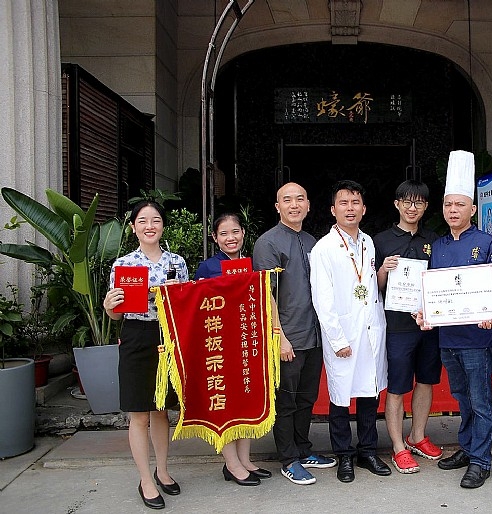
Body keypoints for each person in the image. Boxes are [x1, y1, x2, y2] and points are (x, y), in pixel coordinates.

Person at [418, 150, 492, 489]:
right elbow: (433, 289)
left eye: (459, 205)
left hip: (477, 337)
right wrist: (425, 311)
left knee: (481, 400)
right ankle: (469, 449)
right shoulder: (437, 246)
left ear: (472, 209)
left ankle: (481, 461)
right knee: (462, 397)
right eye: (448, 205)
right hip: (447, 338)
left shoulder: (487, 242)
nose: (453, 210)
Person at [103, 200, 188, 510]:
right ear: (133, 227)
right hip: (136, 336)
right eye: (143, 220)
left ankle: (162, 471)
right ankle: (145, 480)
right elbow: (116, 314)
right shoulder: (123, 265)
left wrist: (180, 294)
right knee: (139, 413)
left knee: (161, 410)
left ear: (163, 226)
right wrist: (109, 306)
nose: (149, 226)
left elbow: (186, 307)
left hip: (167, 337)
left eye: (155, 220)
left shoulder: (177, 262)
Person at [252, 182, 336, 486]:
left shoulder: (313, 241)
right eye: (287, 200)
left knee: (306, 397)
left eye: (300, 199)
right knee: (286, 400)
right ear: (278, 207)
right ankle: (288, 459)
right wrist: (280, 336)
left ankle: (303, 449)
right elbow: (266, 295)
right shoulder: (268, 243)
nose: (294, 205)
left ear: (308, 205)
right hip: (288, 336)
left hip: (314, 334)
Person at [310, 179, 391, 483]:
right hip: (343, 333)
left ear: (364, 208)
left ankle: (367, 451)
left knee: (370, 392)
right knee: (340, 396)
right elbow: (322, 299)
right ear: (333, 210)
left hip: (370, 330)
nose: (350, 208)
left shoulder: (368, 242)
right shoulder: (323, 248)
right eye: (343, 203)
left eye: (355, 202)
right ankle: (344, 454)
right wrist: (337, 339)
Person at [194, 213, 272, 486]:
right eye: (224, 233)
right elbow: (196, 305)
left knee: (246, 400)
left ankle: (245, 459)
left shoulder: (250, 264)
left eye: (235, 231)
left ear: (243, 233)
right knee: (225, 404)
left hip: (246, 341)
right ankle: (231, 463)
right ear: (215, 238)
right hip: (219, 344)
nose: (231, 238)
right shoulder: (207, 267)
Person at [374, 180, 442, 474]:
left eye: (419, 203)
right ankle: (398, 446)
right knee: (398, 386)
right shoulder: (380, 241)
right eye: (407, 202)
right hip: (397, 326)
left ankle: (417, 436)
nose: (412, 208)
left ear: (426, 207)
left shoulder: (435, 240)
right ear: (397, 204)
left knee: (426, 380)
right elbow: (373, 287)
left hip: (428, 325)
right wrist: (383, 270)